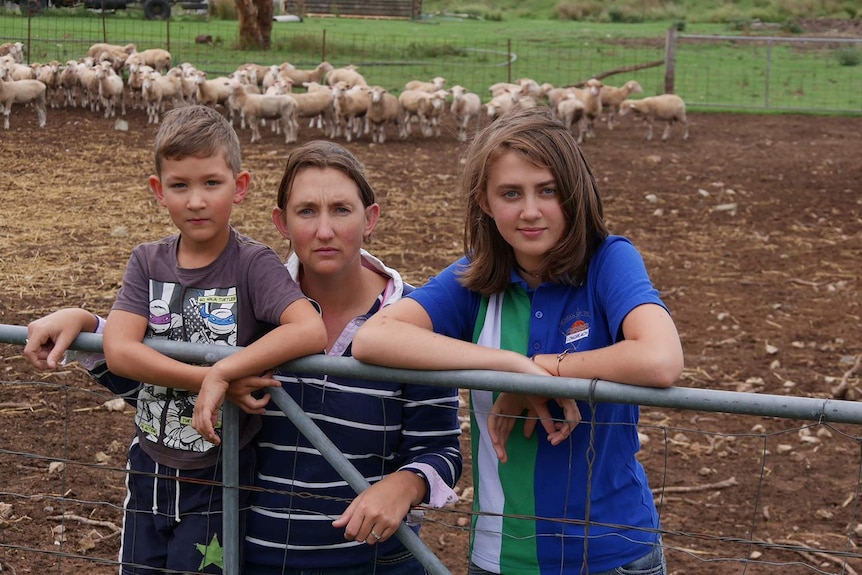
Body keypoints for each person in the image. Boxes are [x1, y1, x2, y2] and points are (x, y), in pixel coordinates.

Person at [24, 140, 463, 574]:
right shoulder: (252, 305)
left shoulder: (412, 320)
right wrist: (89, 328)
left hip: (373, 562)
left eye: (342, 210)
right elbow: (171, 392)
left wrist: (405, 485)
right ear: (281, 223)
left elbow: (441, 450)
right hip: (250, 556)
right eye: (306, 211)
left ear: (370, 219)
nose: (324, 230)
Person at [353, 106, 684, 575]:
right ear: (485, 202)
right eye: (511, 193)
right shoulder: (478, 279)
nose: (530, 210)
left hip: (611, 555)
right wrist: (512, 366)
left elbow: (661, 358)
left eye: (547, 190)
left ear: (574, 192)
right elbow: (374, 337)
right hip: (500, 556)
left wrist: (546, 368)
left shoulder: (608, 262)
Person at [24, 104, 328, 575]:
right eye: (179, 185)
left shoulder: (252, 264)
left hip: (220, 471)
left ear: (240, 187)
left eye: (212, 183)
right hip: (148, 460)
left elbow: (310, 327)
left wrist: (225, 372)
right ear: (158, 192)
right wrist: (206, 380)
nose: (196, 201)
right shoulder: (148, 261)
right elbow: (122, 351)